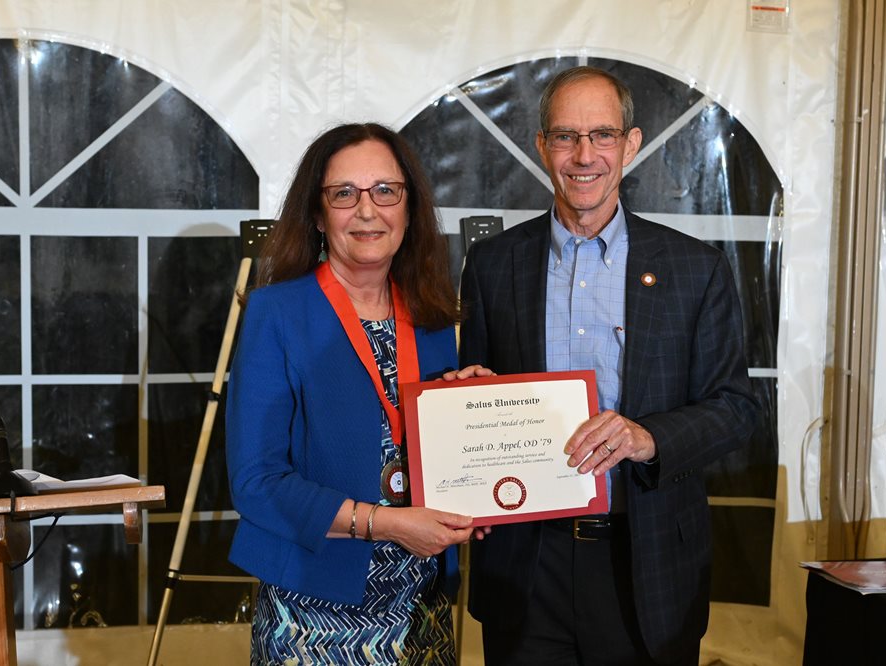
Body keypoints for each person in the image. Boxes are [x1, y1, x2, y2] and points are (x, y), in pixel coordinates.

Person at [458, 66, 758, 665]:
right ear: (542, 146)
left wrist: (647, 437)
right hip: (526, 564)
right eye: (566, 136)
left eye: (602, 135)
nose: (584, 155)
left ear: (632, 143)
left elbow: (736, 408)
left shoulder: (695, 270)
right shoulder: (492, 265)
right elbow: (474, 395)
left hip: (646, 565)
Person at [226, 123, 477, 665]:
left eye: (386, 190)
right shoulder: (277, 313)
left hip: (421, 611)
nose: (368, 210)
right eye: (345, 194)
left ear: (410, 208)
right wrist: (386, 524)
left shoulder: (434, 318)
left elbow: (434, 457)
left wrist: (472, 408)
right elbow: (256, 483)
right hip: (313, 616)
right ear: (318, 215)